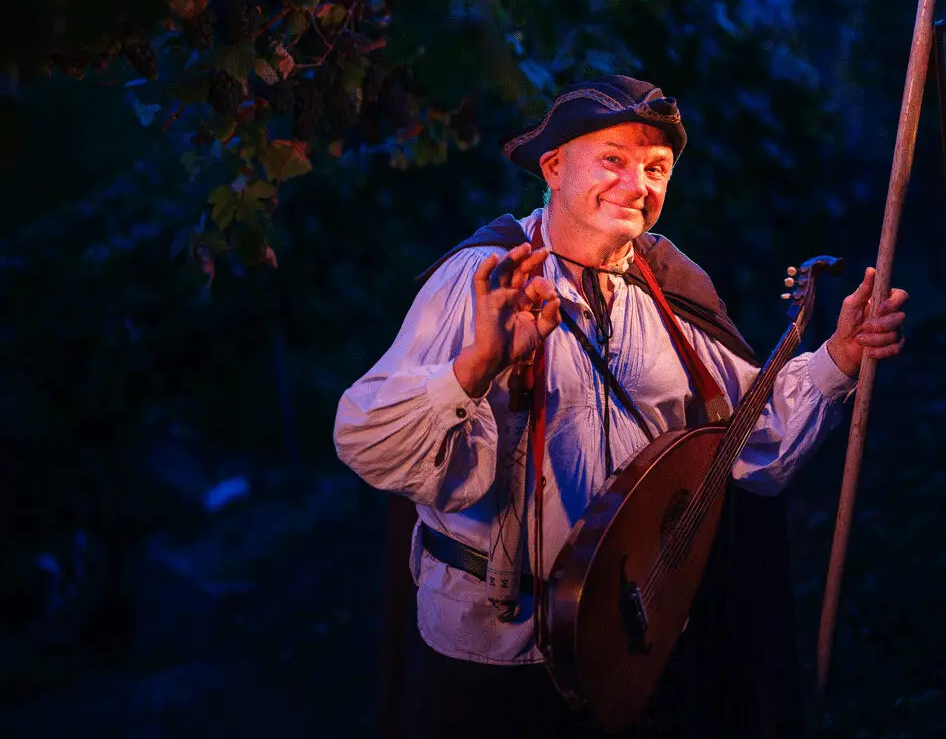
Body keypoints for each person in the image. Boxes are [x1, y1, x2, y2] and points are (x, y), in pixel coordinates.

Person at [334, 75, 908, 738]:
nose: (638, 185)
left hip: (638, 640)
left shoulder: (666, 285)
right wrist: (475, 367)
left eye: (656, 168)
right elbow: (365, 439)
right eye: (614, 159)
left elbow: (746, 442)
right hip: (499, 657)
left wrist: (838, 355)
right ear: (553, 166)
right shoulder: (483, 278)